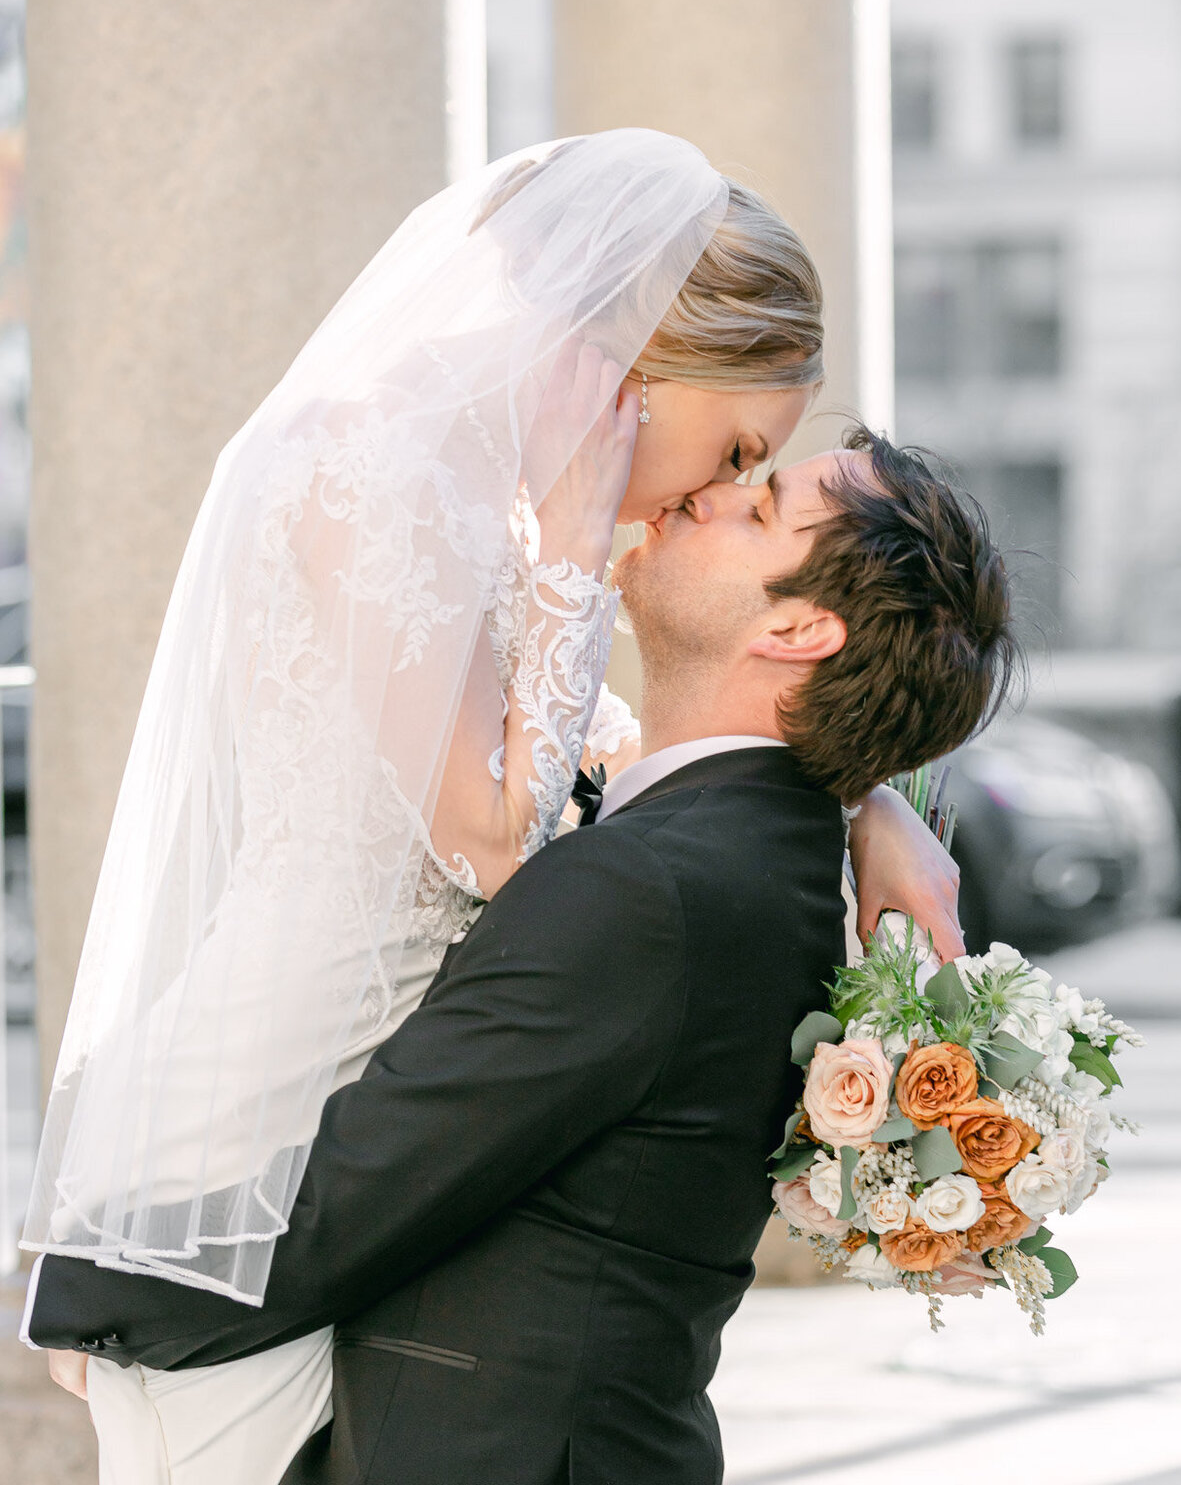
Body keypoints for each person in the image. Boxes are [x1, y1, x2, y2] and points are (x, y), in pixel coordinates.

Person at [22, 132, 957, 1475]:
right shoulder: (367, 463)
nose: (710, 489)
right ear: (644, 361)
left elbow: (612, 783)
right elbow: (492, 838)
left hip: (348, 1121)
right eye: (741, 444)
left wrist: (867, 803)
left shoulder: (497, 512)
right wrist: (577, 555)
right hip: (258, 1114)